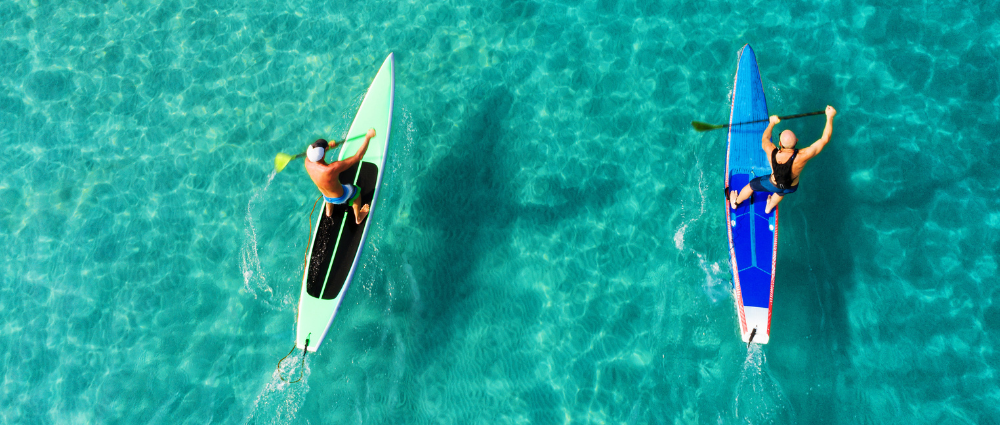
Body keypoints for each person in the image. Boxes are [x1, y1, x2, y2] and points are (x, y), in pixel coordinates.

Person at [729, 105, 837, 213]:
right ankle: (769, 207)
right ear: (797, 141)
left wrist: (772, 123)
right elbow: (825, 138)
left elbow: (765, 139)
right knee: (781, 192)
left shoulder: (771, 151)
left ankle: (735, 202)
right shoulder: (803, 155)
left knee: (751, 186)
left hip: (773, 184)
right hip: (791, 186)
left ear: (780, 143)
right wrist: (830, 116)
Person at [304, 128, 375, 224]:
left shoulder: (307, 162)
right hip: (341, 197)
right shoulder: (331, 169)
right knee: (356, 192)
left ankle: (329, 212)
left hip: (326, 196)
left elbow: (317, 156)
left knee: (327, 194)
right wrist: (368, 137)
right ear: (323, 155)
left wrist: (328, 146)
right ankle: (358, 217)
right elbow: (358, 156)